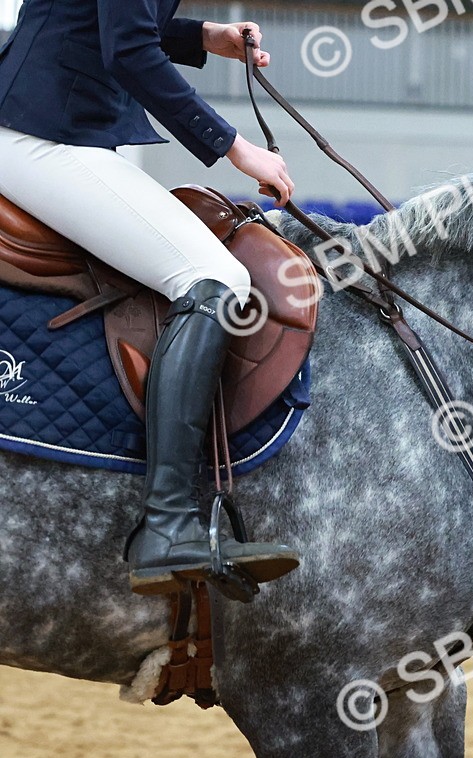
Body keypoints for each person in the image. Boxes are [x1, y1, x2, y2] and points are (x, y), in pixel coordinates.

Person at [0, 2, 300, 596]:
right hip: (44, 134)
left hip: (53, 122)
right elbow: (128, 50)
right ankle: (166, 525)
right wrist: (235, 147)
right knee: (214, 279)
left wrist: (203, 37)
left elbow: (108, 17)